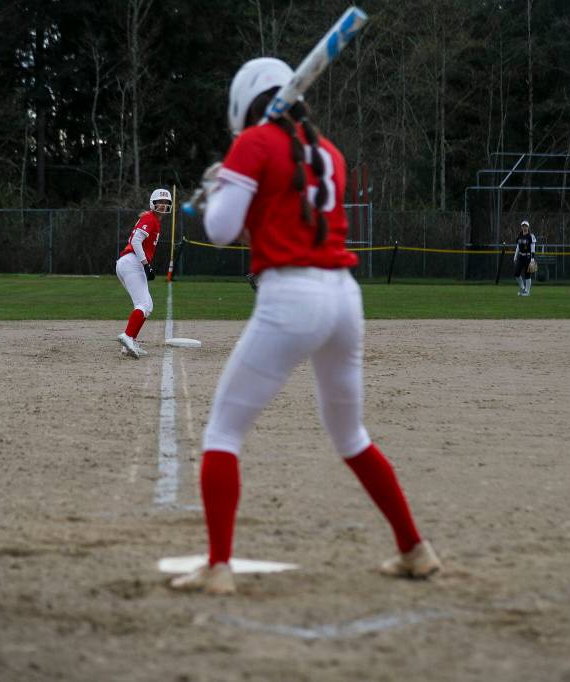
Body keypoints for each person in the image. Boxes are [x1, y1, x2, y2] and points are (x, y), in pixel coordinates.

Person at [169, 58, 440, 595]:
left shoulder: (254, 143)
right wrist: (232, 187)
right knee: (351, 435)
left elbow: (221, 230)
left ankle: (219, 565)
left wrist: (222, 188)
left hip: (291, 296)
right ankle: (415, 549)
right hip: (343, 298)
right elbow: (272, 219)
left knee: (222, 432)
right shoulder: (328, 151)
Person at [115, 188, 172, 358]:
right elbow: (136, 240)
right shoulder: (150, 218)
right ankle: (127, 336)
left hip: (128, 263)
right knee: (144, 304)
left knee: (146, 304)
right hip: (132, 262)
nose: (163, 205)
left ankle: (129, 343)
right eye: (159, 202)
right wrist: (146, 265)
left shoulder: (153, 219)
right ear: (152, 204)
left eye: (166, 202)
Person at [514, 220, 536, 296]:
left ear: (528, 227)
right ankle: (523, 288)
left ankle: (527, 291)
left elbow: (533, 247)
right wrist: (515, 256)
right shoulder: (519, 235)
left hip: (528, 257)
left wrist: (532, 259)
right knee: (516, 273)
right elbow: (518, 247)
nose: (524, 227)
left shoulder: (531, 236)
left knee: (527, 274)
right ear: (521, 227)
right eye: (523, 226)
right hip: (520, 256)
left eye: (526, 226)